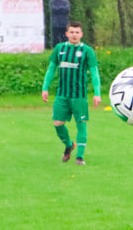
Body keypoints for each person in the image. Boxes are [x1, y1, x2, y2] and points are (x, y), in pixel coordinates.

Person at [41, 21, 101, 165]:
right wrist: (45, 88)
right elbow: (51, 69)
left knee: (81, 123)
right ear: (67, 34)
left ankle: (79, 157)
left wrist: (97, 93)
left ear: (81, 34)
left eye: (77, 32)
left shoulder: (87, 51)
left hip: (79, 95)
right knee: (57, 123)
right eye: (72, 32)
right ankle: (69, 145)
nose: (74, 35)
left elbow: (94, 73)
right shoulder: (59, 49)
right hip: (62, 95)